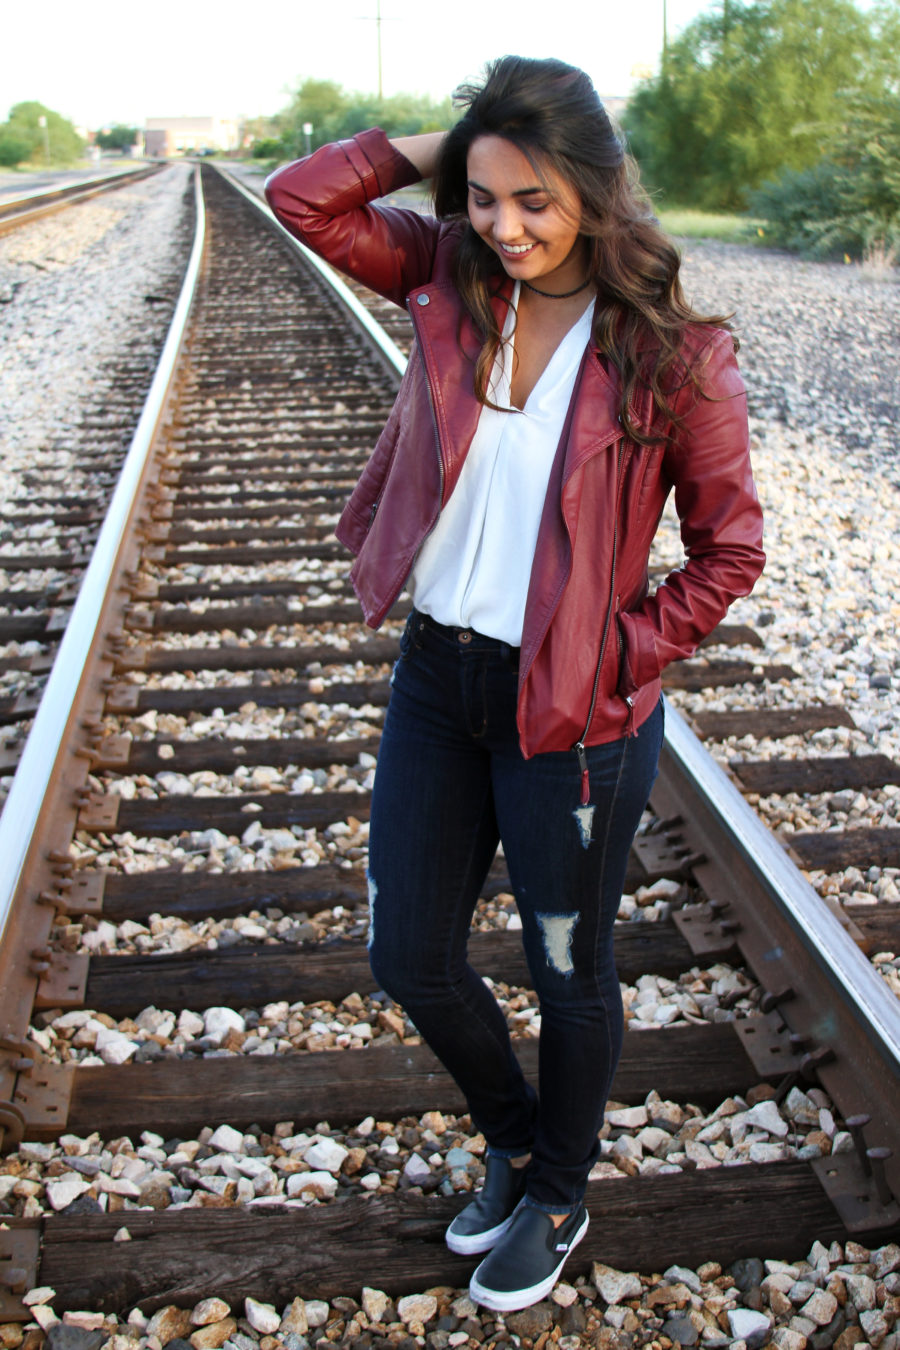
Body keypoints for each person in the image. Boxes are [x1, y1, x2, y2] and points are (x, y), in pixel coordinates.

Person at [265, 55, 765, 1312]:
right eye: (484, 198)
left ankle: (559, 1186)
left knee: (566, 966)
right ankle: (517, 1135)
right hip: (440, 681)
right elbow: (305, 201)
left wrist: (618, 655)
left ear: (595, 193)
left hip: (575, 723)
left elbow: (730, 552)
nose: (507, 227)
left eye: (536, 200)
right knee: (410, 954)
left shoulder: (673, 352)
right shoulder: (452, 277)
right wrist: (454, 144)